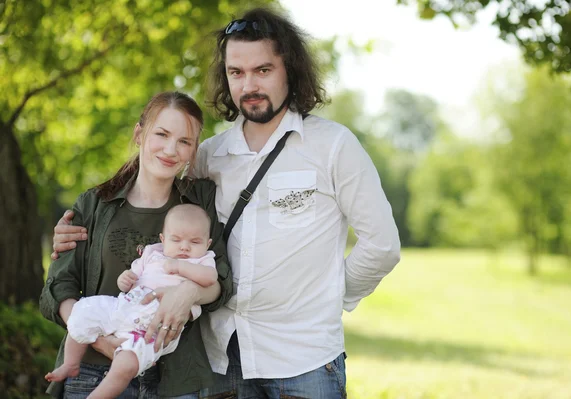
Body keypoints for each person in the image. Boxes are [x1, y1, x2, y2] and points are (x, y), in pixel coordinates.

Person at [52, 7, 401, 399]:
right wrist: (76, 235)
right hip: (221, 362)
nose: (249, 84)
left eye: (263, 70)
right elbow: (164, 222)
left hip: (304, 360)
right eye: (237, 72)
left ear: (291, 70)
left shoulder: (333, 146)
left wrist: (332, 298)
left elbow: (382, 245)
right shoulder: (209, 157)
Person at [40, 91, 232, 398]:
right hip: (92, 372)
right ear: (139, 134)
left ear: (194, 149)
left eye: (185, 141)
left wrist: (188, 293)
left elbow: (222, 281)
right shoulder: (93, 204)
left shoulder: (199, 202)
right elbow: (59, 285)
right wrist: (98, 338)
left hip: (174, 379)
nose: (171, 149)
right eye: (162, 134)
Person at [45, 203, 218, 399]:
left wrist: (180, 266)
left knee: (126, 363)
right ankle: (71, 363)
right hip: (124, 306)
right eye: (176, 239)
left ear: (207, 243)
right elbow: (133, 274)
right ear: (163, 239)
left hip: (152, 327)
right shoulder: (153, 252)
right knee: (84, 311)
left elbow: (210, 278)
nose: (184, 247)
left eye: (195, 242)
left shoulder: (203, 261)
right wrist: (125, 279)